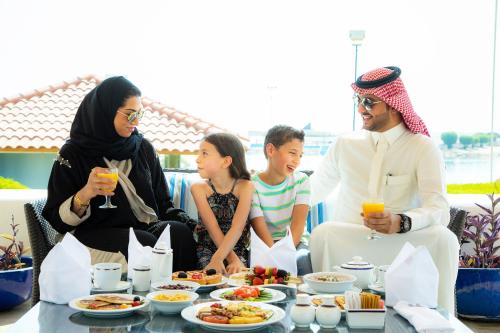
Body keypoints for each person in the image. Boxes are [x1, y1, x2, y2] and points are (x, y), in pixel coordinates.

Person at [308, 66, 458, 312]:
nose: (360, 109)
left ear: (393, 104)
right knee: (323, 233)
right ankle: (329, 312)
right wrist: (271, 188)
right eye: (358, 101)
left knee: (445, 239)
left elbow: (439, 208)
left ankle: (437, 323)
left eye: (369, 102)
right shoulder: (345, 145)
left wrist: (402, 222)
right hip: (351, 243)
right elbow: (312, 192)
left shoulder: (423, 147)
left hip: (402, 244)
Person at [42, 76, 198, 272]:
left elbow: (163, 203)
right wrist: (87, 192)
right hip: (92, 233)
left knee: (178, 233)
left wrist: (191, 224)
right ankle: (146, 300)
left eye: (139, 114)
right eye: (130, 114)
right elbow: (56, 219)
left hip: (139, 229)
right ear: (105, 111)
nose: (136, 122)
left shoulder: (143, 148)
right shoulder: (73, 153)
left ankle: (179, 297)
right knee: (143, 242)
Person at [250, 125, 312, 275]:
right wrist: (274, 255)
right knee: (259, 270)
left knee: (302, 261)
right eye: (292, 153)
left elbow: (297, 227)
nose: (297, 161)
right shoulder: (251, 184)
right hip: (263, 243)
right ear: (270, 150)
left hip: (294, 243)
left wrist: (284, 253)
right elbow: (259, 227)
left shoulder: (301, 181)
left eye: (300, 155)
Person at [190, 132, 254, 274]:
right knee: (211, 278)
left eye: (204, 153)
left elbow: (237, 228)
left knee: (238, 281)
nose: (197, 159)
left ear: (226, 161)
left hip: (238, 250)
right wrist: (219, 259)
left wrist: (234, 260)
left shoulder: (246, 187)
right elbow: (212, 228)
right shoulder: (198, 188)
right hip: (208, 250)